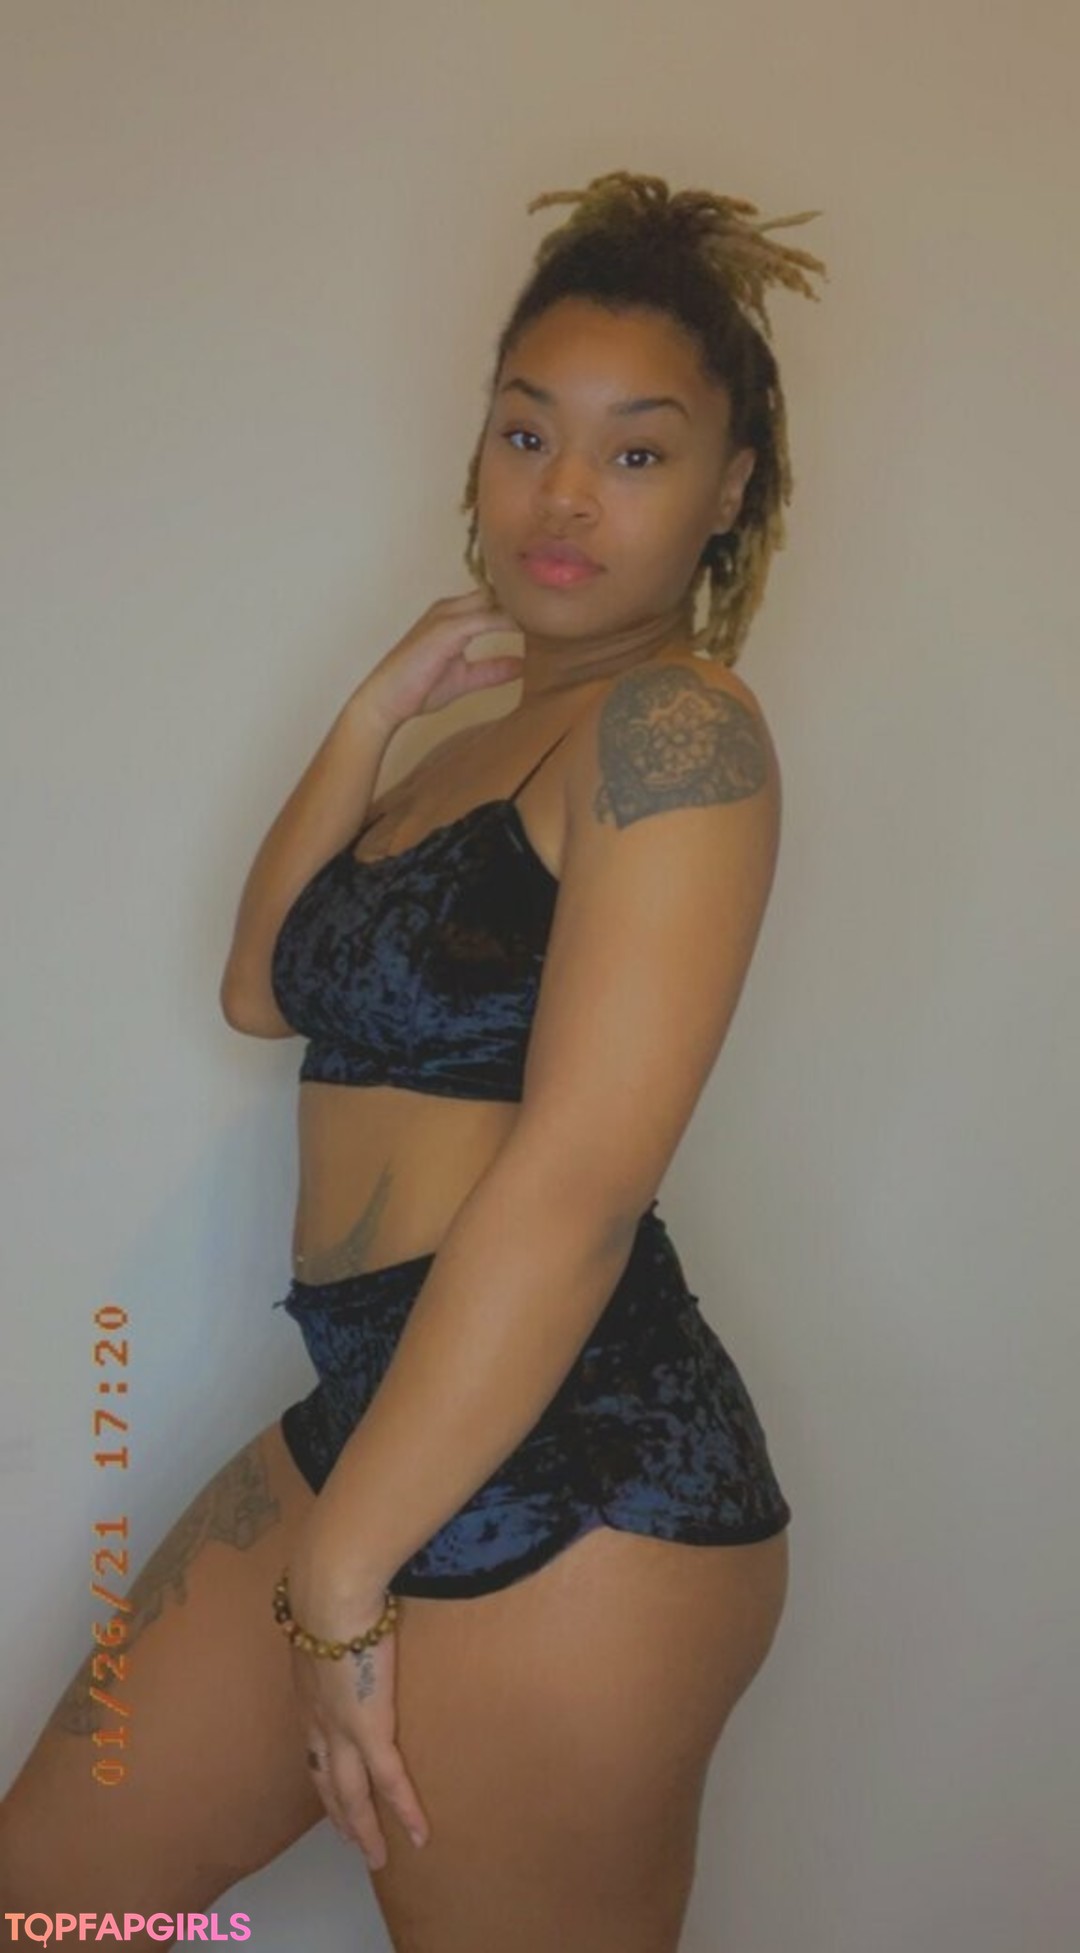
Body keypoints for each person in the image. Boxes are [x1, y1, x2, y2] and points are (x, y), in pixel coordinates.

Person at [1, 169, 827, 1951]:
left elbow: (582, 1182)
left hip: (575, 1476)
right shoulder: (485, 739)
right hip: (367, 1413)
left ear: (727, 489)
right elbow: (260, 986)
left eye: (635, 450)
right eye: (528, 432)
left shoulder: (677, 730)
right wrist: (376, 708)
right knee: (52, 1907)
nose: (563, 491)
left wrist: (344, 1566)